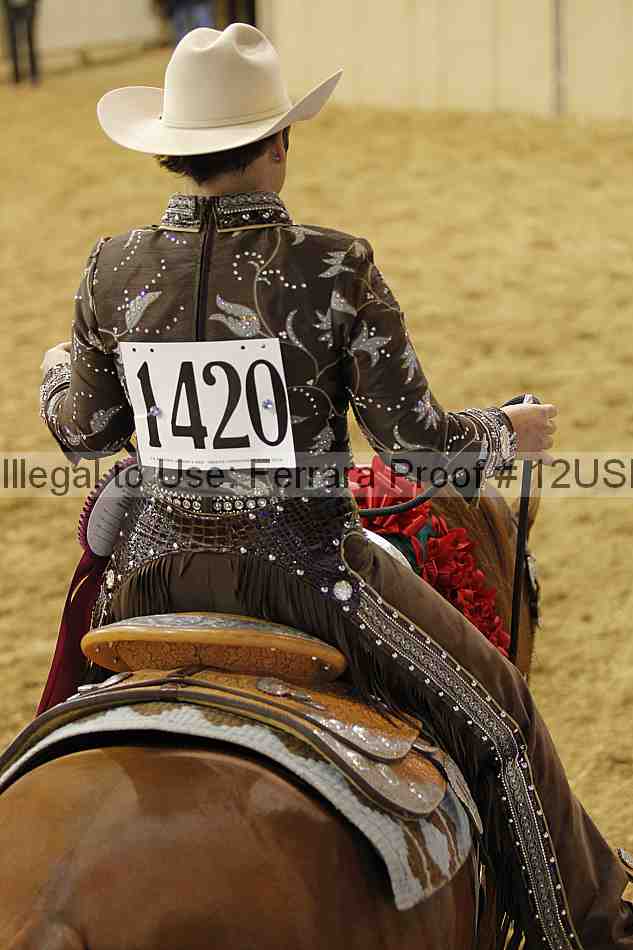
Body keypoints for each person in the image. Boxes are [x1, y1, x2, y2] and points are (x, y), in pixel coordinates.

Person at [39, 24, 633, 950]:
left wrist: (54, 374)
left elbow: (82, 432)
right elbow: (418, 449)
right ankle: (590, 928)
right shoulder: (332, 263)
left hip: (146, 577)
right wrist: (505, 432)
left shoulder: (110, 265)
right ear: (277, 141)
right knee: (501, 718)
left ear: (174, 148)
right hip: (309, 576)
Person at [3, 0, 39, 84]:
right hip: (11, 7)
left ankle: (34, 74)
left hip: (28, 5)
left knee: (30, 41)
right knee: (13, 43)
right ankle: (16, 76)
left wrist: (33, 3)